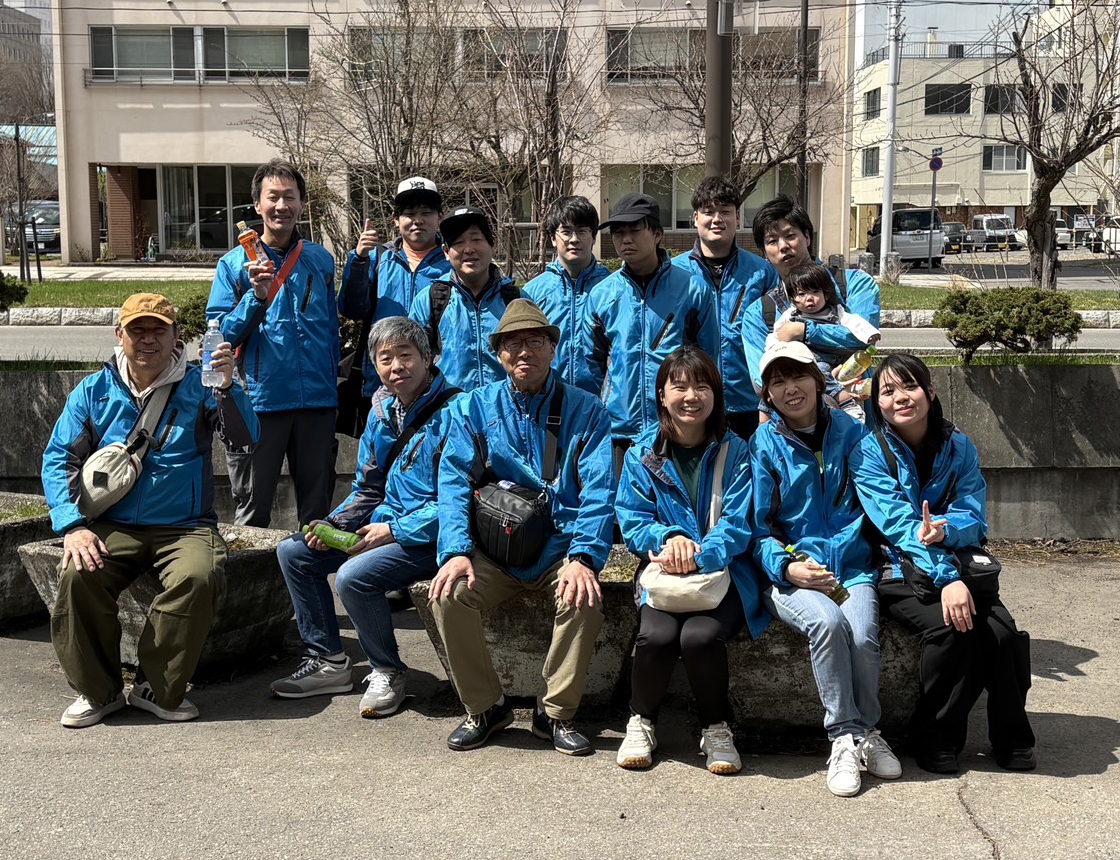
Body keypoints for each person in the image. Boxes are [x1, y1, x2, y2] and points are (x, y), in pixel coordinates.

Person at [41, 293, 260, 728]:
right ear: (119, 335)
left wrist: (228, 389)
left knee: (199, 576)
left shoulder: (202, 384)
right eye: (137, 329)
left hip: (185, 525)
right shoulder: (94, 390)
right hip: (111, 523)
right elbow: (59, 457)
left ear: (177, 337)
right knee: (78, 576)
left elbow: (245, 439)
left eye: (158, 329)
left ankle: (155, 688)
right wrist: (71, 525)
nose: (147, 339)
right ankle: (99, 691)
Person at [429, 299, 614, 755]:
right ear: (498, 354)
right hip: (495, 549)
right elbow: (453, 482)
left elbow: (599, 492)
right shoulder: (473, 407)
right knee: (448, 595)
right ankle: (485, 707)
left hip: (559, 548)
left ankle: (555, 714)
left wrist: (583, 557)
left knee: (584, 597)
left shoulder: (587, 410)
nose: (523, 351)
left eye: (534, 341)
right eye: (512, 343)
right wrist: (455, 551)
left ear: (553, 348)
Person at [853, 353, 1035, 774]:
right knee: (952, 628)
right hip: (897, 568)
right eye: (888, 391)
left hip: (958, 563)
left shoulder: (959, 445)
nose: (901, 397)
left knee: (1004, 635)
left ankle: (1012, 737)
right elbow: (897, 525)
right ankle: (935, 736)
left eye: (910, 386)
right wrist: (947, 577)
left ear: (931, 393)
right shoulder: (868, 453)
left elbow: (974, 515)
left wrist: (946, 530)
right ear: (877, 403)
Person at [270, 317, 460, 717]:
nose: (396, 367)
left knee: (353, 577)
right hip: (382, 525)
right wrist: (335, 523)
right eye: (385, 359)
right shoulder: (381, 411)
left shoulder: (458, 411)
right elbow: (369, 487)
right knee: (295, 552)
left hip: (437, 535)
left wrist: (394, 530)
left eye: (406, 355)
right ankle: (328, 660)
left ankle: (387, 669)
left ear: (427, 358)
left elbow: (458, 499)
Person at [749, 340, 901, 797]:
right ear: (767, 394)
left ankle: (867, 732)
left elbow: (879, 500)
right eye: (778, 382)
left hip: (852, 569)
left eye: (798, 376)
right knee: (828, 623)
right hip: (790, 575)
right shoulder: (763, 444)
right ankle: (842, 737)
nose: (790, 388)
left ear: (818, 381)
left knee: (863, 635)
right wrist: (787, 567)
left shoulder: (853, 433)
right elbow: (755, 529)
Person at [614, 347, 770, 774]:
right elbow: (632, 519)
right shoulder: (642, 453)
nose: (691, 396)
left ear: (716, 394)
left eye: (702, 386)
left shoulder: (735, 451)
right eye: (679, 386)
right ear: (662, 395)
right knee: (657, 636)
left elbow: (739, 522)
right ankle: (641, 721)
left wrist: (700, 553)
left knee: (700, 637)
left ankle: (716, 727)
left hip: (726, 572)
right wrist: (668, 541)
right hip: (663, 571)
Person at [206, 158, 340, 528]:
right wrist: (256, 296)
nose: (282, 206)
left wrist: (332, 386)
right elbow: (218, 336)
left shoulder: (320, 259)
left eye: (290, 197)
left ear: (301, 204)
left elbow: (331, 330)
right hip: (259, 404)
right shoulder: (234, 264)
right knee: (252, 514)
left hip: (317, 402)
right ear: (257, 204)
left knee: (318, 517)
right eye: (273, 197)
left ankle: (310, 570)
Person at [584, 193, 719, 478]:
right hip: (620, 429)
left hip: (678, 426)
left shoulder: (693, 289)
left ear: (657, 234)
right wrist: (611, 400)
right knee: (624, 503)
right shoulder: (602, 294)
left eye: (635, 230)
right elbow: (593, 362)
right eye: (618, 232)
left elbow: (709, 359)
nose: (626, 239)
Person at [742, 195, 881, 421]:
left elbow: (865, 338)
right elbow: (762, 380)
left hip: (859, 423)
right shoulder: (759, 314)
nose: (783, 246)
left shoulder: (854, 284)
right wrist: (818, 383)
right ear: (764, 253)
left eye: (790, 235)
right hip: (792, 430)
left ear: (807, 237)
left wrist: (805, 331)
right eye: (772, 241)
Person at [672, 176, 778, 439]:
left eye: (725, 211)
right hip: (693, 401)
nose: (717, 219)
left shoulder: (762, 272)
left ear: (738, 218)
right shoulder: (674, 273)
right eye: (708, 212)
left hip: (750, 403)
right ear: (695, 218)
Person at [337, 177, 451, 414]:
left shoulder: (452, 262)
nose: (418, 220)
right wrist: (359, 259)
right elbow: (351, 309)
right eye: (409, 214)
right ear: (396, 219)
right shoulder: (377, 258)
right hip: (382, 384)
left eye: (426, 213)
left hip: (438, 387)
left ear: (440, 217)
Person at [409, 206, 519, 392]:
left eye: (476, 240)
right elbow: (413, 359)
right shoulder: (430, 299)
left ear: (493, 245)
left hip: (505, 406)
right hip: (448, 405)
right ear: (446, 251)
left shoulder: (515, 299)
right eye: (458, 242)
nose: (468, 249)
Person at [769, 261, 881, 421]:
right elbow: (777, 334)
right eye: (801, 294)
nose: (809, 299)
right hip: (807, 362)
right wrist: (774, 351)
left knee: (834, 377)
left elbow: (855, 322)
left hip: (835, 361)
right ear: (793, 298)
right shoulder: (791, 315)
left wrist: (869, 333)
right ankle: (844, 402)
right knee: (817, 376)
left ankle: (847, 404)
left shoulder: (835, 312)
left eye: (815, 292)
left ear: (826, 295)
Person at [522, 196, 610, 394]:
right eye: (566, 232)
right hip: (546, 399)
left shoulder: (611, 288)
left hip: (598, 401)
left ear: (594, 237)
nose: (574, 239)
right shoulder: (532, 292)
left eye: (582, 231)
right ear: (553, 238)